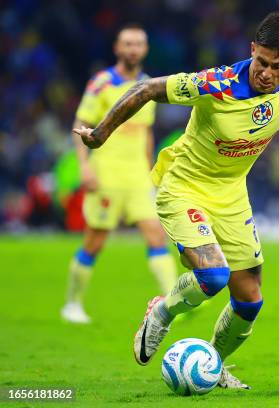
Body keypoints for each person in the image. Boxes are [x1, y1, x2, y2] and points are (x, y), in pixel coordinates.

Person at [74, 12, 279, 389]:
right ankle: (163, 310)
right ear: (252, 49)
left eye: (277, 67)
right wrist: (100, 134)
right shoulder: (215, 83)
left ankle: (212, 364)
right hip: (183, 186)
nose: (267, 73)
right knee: (213, 276)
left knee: (250, 299)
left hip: (232, 193)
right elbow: (147, 89)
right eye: (262, 62)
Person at [61, 24, 177, 324]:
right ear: (117, 48)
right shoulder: (102, 82)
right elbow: (81, 123)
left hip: (137, 176)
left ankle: (175, 303)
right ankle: (72, 304)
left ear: (146, 49)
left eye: (138, 43)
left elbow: (147, 133)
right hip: (107, 175)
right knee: (95, 240)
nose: (133, 49)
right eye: (127, 43)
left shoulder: (149, 85)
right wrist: (85, 167)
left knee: (155, 234)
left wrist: (152, 170)